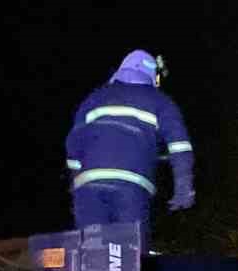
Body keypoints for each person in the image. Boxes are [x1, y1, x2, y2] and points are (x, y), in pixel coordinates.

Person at [66, 50, 194, 233]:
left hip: (88, 186)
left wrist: (75, 185)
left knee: (91, 249)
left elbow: (73, 145)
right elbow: (180, 147)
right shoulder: (160, 101)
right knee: (129, 250)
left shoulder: (94, 98)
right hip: (131, 185)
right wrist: (184, 188)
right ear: (152, 75)